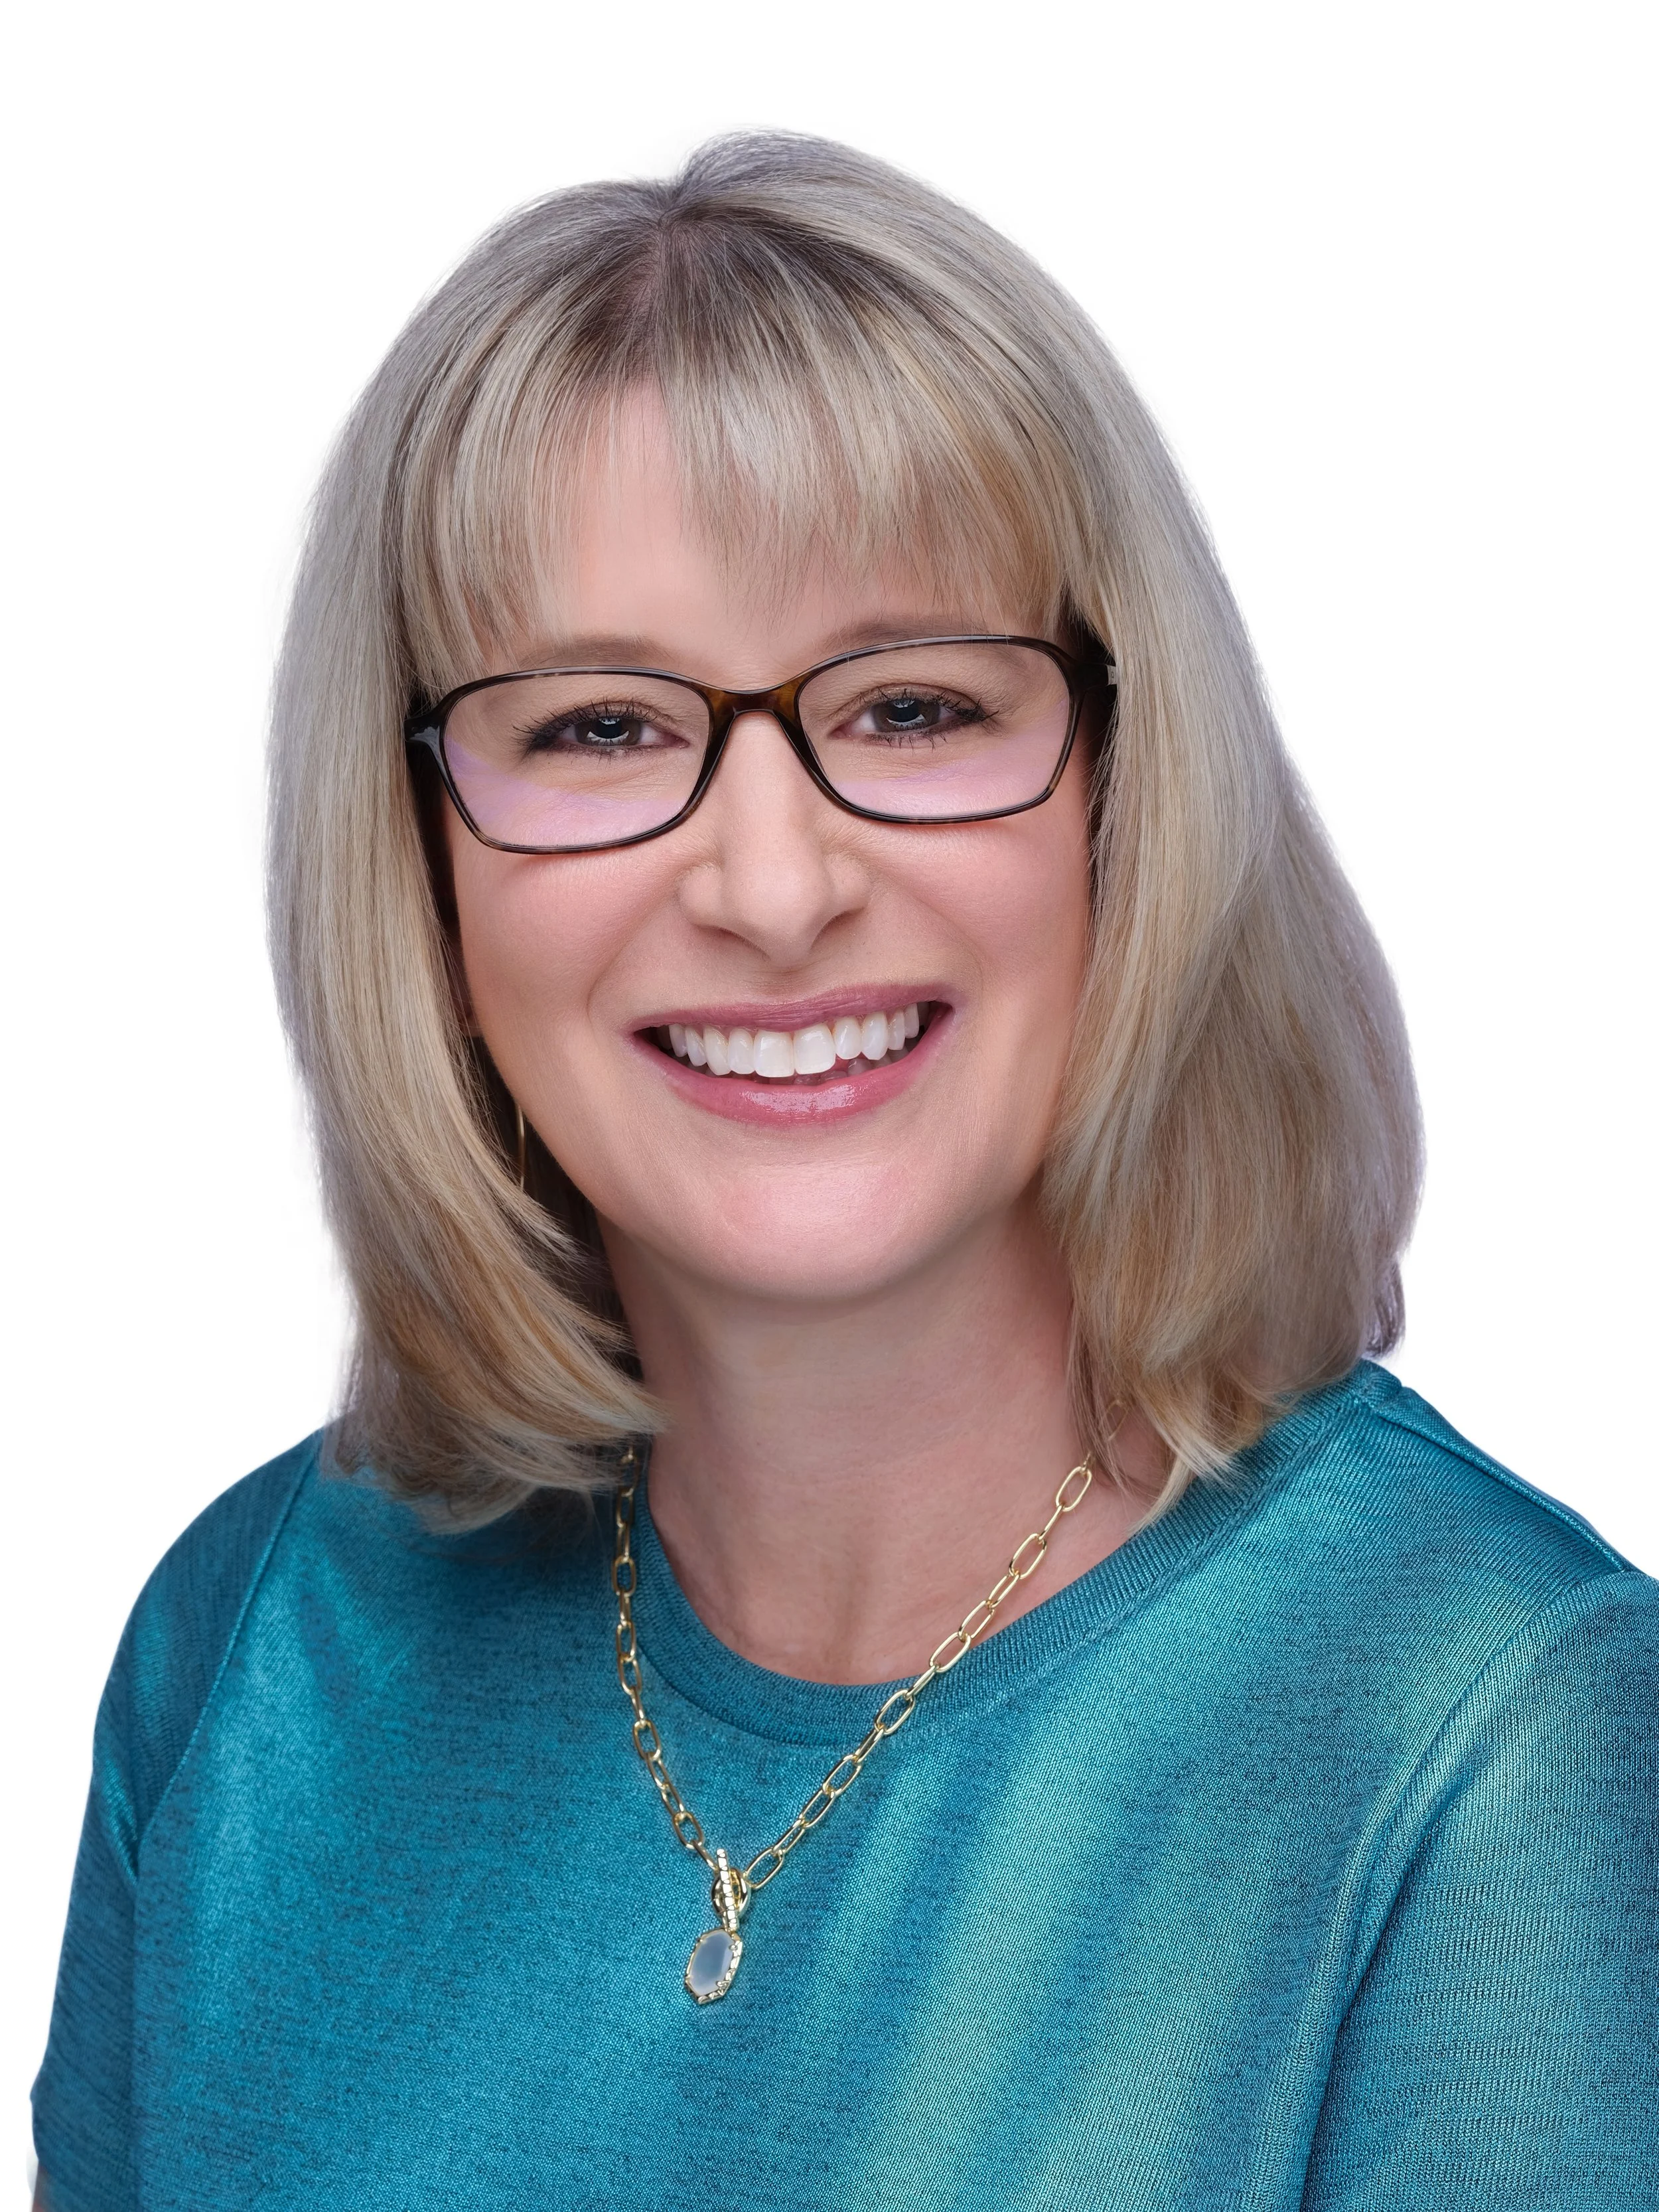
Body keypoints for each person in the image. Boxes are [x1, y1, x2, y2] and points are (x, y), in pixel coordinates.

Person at [31, 133, 1658, 2211]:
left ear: (1124, 805)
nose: (774, 883)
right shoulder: (256, 1650)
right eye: (602, 729)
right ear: (422, 866)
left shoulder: (1494, 1753)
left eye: (909, 706)